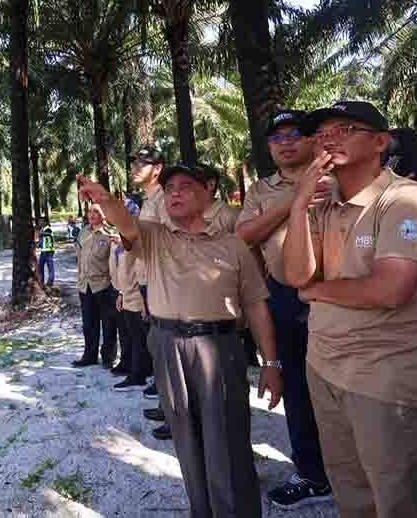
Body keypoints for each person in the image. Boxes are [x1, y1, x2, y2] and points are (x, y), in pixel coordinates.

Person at [79, 166, 283, 518]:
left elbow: (256, 305)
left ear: (207, 194)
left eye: (186, 186)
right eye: (169, 187)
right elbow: (125, 224)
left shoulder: (232, 245)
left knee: (229, 442)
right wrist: (105, 199)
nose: (174, 192)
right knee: (187, 442)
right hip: (167, 345)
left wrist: (271, 363)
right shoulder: (154, 236)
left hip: (219, 349)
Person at [283, 101, 417, 518]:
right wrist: (298, 204)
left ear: (380, 142)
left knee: (405, 500)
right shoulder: (323, 204)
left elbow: (391, 289)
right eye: (322, 133)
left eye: (344, 129)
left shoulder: (407, 200)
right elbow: (297, 275)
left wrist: (317, 291)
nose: (328, 139)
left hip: (385, 377)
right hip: (325, 366)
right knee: (353, 493)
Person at [236, 109, 332, 509]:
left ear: (312, 140)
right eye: (277, 138)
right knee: (296, 388)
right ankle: (312, 473)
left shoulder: (336, 175)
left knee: (345, 385)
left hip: (340, 294)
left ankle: (358, 471)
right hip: (286, 296)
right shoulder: (261, 189)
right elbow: (242, 236)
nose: (286, 143)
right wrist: (294, 201)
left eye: (294, 134)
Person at [129, 146, 172, 439]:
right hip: (148, 280)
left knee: (166, 346)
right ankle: (166, 405)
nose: (134, 168)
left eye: (141, 163)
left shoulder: (164, 198)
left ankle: (176, 413)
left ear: (157, 169)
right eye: (133, 163)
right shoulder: (147, 199)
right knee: (157, 343)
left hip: (160, 281)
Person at [109, 197, 152, 391]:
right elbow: (120, 269)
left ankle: (140, 375)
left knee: (143, 339)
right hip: (126, 294)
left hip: (138, 295)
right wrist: (120, 292)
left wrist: (145, 300)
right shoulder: (119, 237)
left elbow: (142, 270)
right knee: (133, 337)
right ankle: (137, 371)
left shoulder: (140, 237)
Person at [72, 204, 117, 368]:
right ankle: (89, 356)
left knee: (108, 324)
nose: (91, 214)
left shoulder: (110, 234)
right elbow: (79, 256)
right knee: (89, 324)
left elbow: (115, 262)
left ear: (104, 214)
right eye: (90, 211)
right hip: (85, 286)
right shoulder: (83, 232)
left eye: (96, 211)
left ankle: (108, 357)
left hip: (103, 285)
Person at [38, 220, 56, 287]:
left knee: (50, 267)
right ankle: (41, 282)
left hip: (49, 251)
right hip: (43, 251)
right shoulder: (42, 229)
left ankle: (50, 282)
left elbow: (47, 233)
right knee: (40, 267)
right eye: (39, 221)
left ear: (45, 222)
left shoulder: (48, 229)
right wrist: (39, 244)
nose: (40, 223)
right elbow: (42, 239)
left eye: (41, 221)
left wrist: (40, 233)